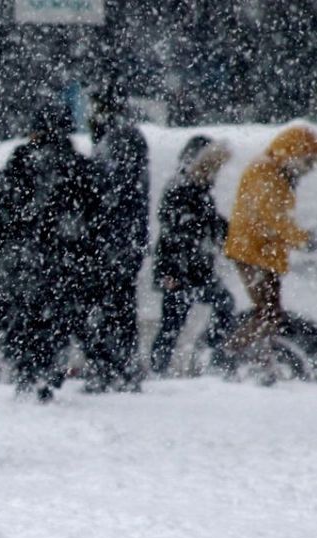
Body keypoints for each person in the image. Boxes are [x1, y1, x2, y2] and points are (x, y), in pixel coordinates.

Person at [0, 102, 100, 403]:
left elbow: (6, 205)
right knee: (58, 318)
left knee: (24, 317)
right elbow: (92, 212)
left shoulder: (21, 159)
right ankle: (48, 371)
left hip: (28, 255)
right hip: (65, 256)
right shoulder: (76, 163)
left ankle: (26, 371)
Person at [222, 125, 317, 383]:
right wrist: (304, 240)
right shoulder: (265, 172)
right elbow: (274, 217)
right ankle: (229, 354)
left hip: (264, 253)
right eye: (308, 161)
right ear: (292, 153)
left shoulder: (278, 172)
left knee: (269, 314)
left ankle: (260, 360)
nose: (310, 169)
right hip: (252, 253)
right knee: (268, 314)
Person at [150, 136, 235, 375]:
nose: (215, 173)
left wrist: (232, 235)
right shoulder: (181, 188)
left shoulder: (198, 190)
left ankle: (200, 353)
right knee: (174, 323)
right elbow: (174, 233)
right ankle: (166, 366)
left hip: (194, 269)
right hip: (179, 270)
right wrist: (171, 273)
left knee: (176, 322)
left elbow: (211, 223)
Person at [85, 83, 150, 392]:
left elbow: (111, 190)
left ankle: (113, 369)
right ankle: (118, 367)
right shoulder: (123, 136)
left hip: (114, 241)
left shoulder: (119, 139)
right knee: (118, 306)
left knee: (113, 306)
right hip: (121, 240)